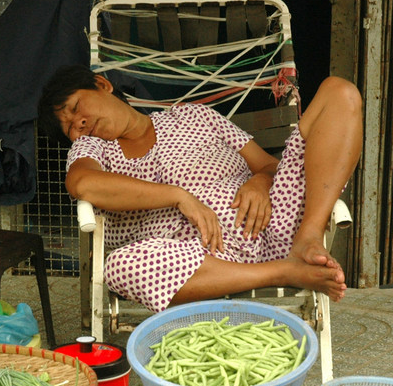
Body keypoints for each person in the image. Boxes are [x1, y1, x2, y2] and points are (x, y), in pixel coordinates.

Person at [37, 64, 363, 313]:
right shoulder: (93, 149)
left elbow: (267, 165)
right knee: (121, 267)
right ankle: (283, 272)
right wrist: (179, 197)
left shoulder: (194, 116)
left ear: (102, 85)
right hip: (195, 264)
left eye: (77, 107)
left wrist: (260, 182)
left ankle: (307, 240)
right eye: (69, 127)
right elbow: (83, 183)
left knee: (339, 92)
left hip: (274, 224)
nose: (78, 123)